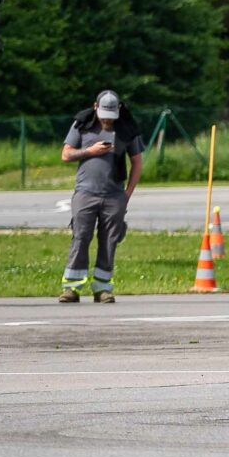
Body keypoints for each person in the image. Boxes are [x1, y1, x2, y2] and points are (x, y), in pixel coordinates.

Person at [59, 89, 142, 302]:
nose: (107, 120)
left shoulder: (126, 129)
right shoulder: (82, 125)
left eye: (111, 116)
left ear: (119, 110)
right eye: (104, 116)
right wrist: (90, 151)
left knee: (109, 240)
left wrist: (126, 195)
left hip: (114, 195)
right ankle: (72, 287)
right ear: (96, 107)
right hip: (85, 193)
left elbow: (137, 162)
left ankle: (102, 288)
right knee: (81, 236)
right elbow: (66, 154)